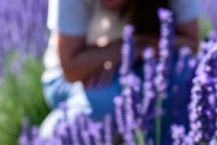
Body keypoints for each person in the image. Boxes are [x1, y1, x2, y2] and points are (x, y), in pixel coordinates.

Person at [42, 0, 202, 128]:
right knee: (109, 98)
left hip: (141, 63)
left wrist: (134, 49)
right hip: (66, 78)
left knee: (184, 76)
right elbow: (71, 69)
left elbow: (191, 43)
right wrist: (126, 48)